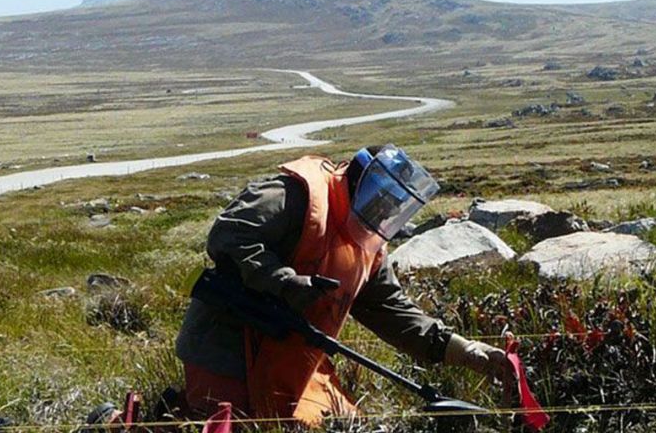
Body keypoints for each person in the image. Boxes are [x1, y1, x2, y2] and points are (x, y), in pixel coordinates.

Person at [175, 144, 514, 425]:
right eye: (380, 200)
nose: (384, 211)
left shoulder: (369, 247)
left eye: (392, 206)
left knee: (349, 423)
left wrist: (465, 351)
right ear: (358, 182)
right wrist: (284, 282)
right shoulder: (295, 195)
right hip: (224, 351)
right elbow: (229, 234)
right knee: (229, 425)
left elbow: (391, 310)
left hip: (298, 363)